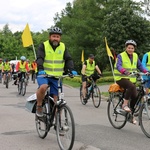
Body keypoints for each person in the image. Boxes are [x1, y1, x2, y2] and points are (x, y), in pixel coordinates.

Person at [36, 26, 77, 117]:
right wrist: (41, 69)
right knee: (43, 87)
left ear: (60, 38)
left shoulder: (63, 46)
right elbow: (40, 58)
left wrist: (71, 69)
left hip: (57, 77)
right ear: (49, 37)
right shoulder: (44, 45)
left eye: (57, 37)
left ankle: (57, 122)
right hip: (44, 75)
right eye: (54, 36)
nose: (55, 38)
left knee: (57, 100)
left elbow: (68, 59)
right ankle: (39, 106)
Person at [114, 40, 147, 124]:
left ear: (134, 49)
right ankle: (124, 104)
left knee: (135, 96)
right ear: (126, 48)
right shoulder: (120, 55)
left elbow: (140, 66)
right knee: (131, 86)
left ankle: (130, 115)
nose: (130, 49)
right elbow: (118, 65)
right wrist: (123, 71)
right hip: (121, 78)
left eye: (132, 48)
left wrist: (146, 71)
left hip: (131, 79)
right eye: (129, 48)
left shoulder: (135, 56)